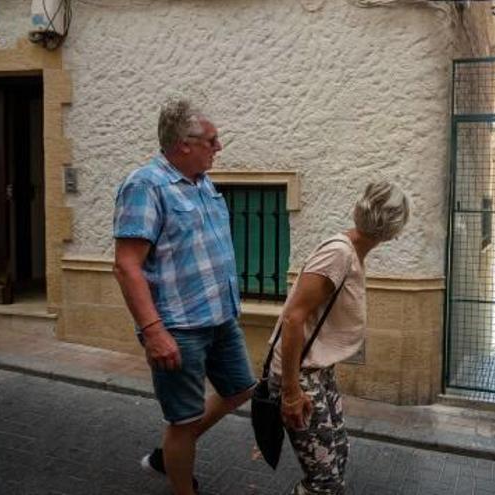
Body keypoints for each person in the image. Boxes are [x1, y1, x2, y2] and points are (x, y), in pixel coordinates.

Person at [112, 98, 255, 495]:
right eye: (212, 140)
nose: (219, 147)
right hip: (179, 326)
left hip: (220, 317)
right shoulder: (145, 184)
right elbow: (127, 266)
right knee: (183, 419)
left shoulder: (202, 181)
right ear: (183, 145)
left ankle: (168, 452)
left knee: (241, 388)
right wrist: (154, 331)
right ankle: (181, 483)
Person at [270, 181, 410, 495]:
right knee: (324, 482)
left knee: (339, 454)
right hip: (299, 376)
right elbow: (294, 318)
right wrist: (291, 392)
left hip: (318, 372)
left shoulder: (353, 252)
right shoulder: (339, 253)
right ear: (394, 228)